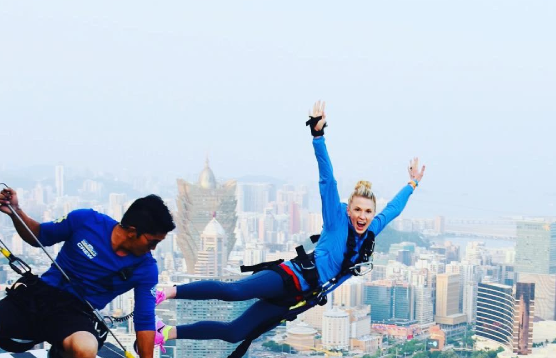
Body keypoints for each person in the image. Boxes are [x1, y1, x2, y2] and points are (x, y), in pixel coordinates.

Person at [157, 101, 425, 345]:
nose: (363, 216)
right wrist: (318, 136)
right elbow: (327, 180)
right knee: (234, 291)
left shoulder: (370, 233)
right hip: (288, 277)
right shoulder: (336, 221)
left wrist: (412, 184)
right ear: (349, 210)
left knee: (235, 334)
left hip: (298, 297)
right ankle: (166, 293)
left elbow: (392, 210)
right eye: (357, 209)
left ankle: (166, 333)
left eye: (368, 211)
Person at [0, 190, 175, 358]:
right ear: (133, 232)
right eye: (152, 241)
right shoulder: (86, 221)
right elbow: (40, 235)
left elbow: (144, 320)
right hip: (39, 295)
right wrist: (16, 212)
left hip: (75, 314)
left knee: (86, 353)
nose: (153, 249)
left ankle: (59, 353)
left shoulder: (145, 268)